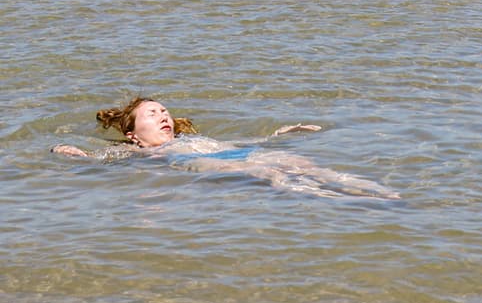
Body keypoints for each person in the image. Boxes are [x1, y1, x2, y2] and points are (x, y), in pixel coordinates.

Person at [52, 97, 399, 199]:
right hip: (209, 165)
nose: (163, 116)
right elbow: (101, 160)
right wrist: (74, 153)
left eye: (165, 111)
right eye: (152, 113)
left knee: (301, 163)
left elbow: (244, 144)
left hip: (239, 153)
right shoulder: (140, 152)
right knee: (269, 174)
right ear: (132, 133)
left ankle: (383, 196)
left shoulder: (189, 138)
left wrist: (281, 134)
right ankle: (344, 204)